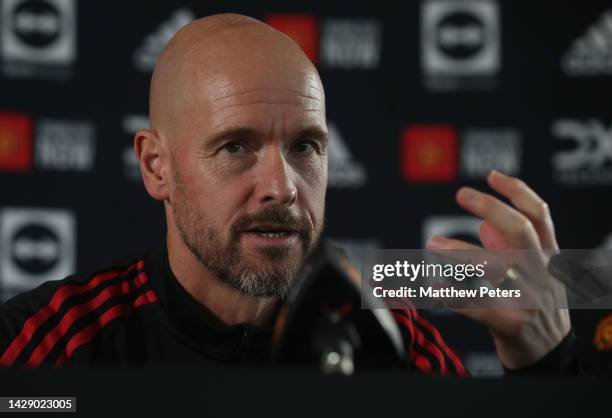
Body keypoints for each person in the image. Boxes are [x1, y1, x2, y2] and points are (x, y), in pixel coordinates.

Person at [0, 14, 573, 374]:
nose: (281, 187)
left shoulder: (390, 345)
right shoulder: (54, 346)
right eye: (235, 147)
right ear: (157, 166)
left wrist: (546, 366)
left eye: (305, 147)